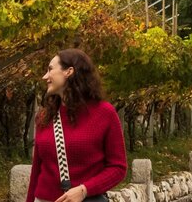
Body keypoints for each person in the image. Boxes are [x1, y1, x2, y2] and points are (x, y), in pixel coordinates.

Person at [27, 49, 127, 202]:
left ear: (69, 71)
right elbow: (36, 171)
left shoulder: (105, 113)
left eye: (50, 69)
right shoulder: (44, 117)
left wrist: (85, 189)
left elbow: (118, 168)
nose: (45, 76)